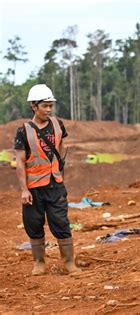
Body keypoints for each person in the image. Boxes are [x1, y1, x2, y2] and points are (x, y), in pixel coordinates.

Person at [14, 84, 81, 276]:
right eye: (45, 106)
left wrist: (58, 171)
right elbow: (19, 162)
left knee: (61, 222)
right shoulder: (23, 131)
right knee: (34, 224)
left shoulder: (58, 125)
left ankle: (69, 263)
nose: (49, 109)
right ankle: (39, 263)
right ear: (34, 106)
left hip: (55, 185)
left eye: (51, 105)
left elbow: (60, 147)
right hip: (33, 188)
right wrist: (24, 189)